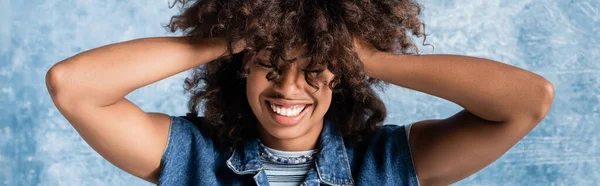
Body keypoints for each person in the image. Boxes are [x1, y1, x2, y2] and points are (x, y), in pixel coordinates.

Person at [45, 0, 554, 185]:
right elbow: (73, 87)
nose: (288, 87)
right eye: (268, 66)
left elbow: (529, 101)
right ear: (240, 70)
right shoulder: (190, 156)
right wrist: (229, 37)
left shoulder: (390, 164)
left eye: (315, 70)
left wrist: (372, 58)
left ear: (341, 77)